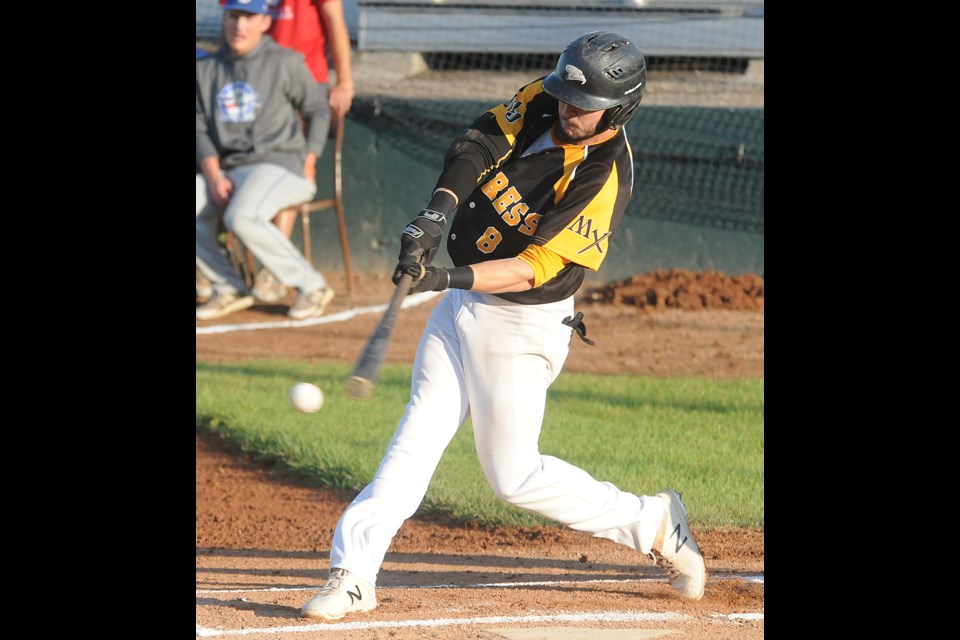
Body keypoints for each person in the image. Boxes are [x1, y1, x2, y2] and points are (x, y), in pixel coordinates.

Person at [300, 31, 707, 622]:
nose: (568, 108)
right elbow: (482, 140)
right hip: (463, 312)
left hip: (523, 326)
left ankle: (654, 522)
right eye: (566, 94)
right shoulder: (549, 96)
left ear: (618, 110)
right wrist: (437, 212)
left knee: (513, 476)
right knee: (415, 439)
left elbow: (535, 267)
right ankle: (354, 572)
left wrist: (446, 279)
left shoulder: (602, 174)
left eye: (583, 104)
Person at [196, 0, 336, 320]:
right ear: (224, 18)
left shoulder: (284, 61)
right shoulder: (205, 69)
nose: (240, 25)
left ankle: (312, 286)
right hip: (229, 171)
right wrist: (214, 173)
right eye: (234, 16)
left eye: (249, 17)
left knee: (242, 216)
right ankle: (228, 286)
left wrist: (310, 158)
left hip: (281, 164)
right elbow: (199, 127)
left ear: (264, 21)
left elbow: (317, 109)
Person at [246, 0, 357, 303]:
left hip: (302, 86)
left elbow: (335, 19)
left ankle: (274, 268)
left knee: (285, 170)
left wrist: (344, 81)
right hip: (255, 87)